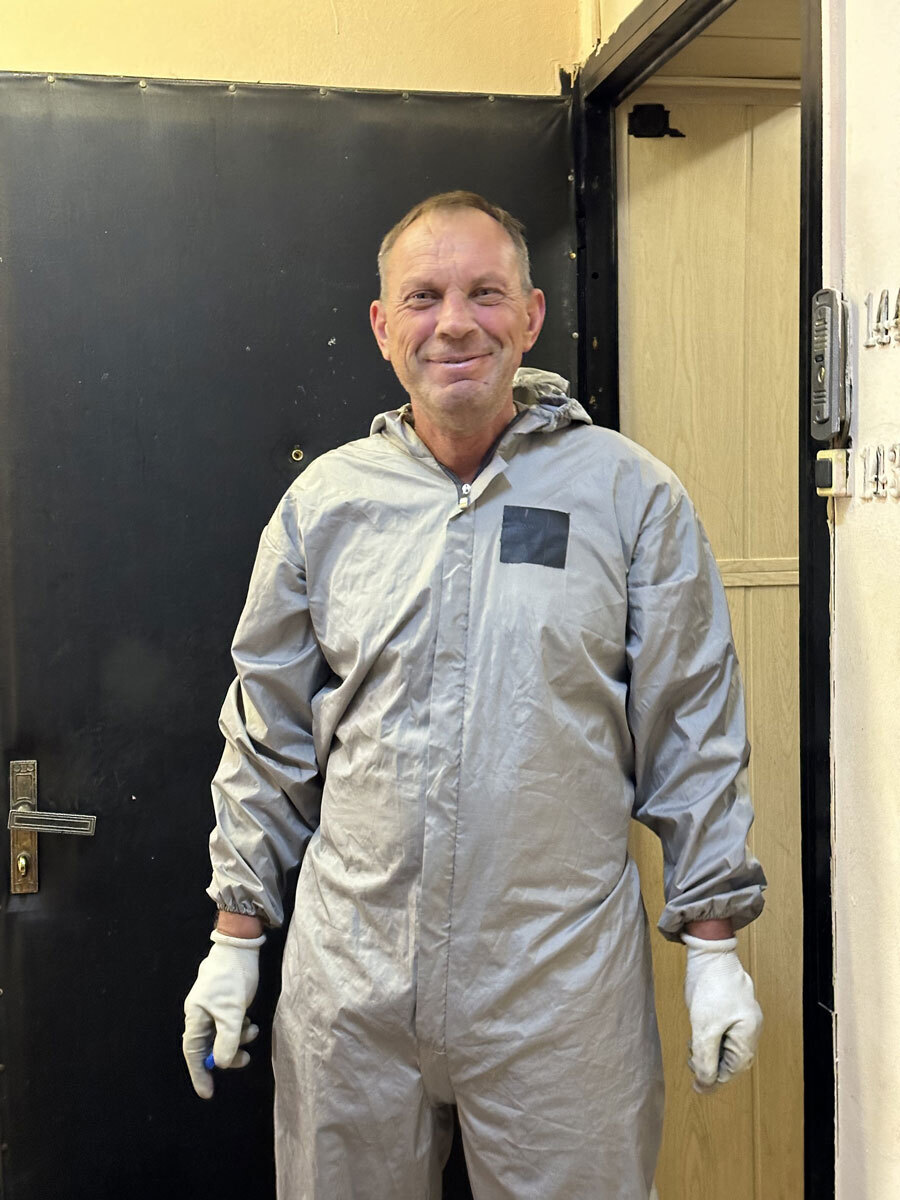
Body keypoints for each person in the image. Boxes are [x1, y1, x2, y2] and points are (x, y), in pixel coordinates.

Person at [183, 191, 766, 1199]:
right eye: (424, 297)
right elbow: (266, 732)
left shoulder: (629, 498)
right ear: (382, 327)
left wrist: (714, 943)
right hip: (352, 990)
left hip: (559, 994)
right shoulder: (326, 506)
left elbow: (692, 725)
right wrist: (235, 936)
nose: (454, 322)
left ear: (532, 316)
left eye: (485, 293)